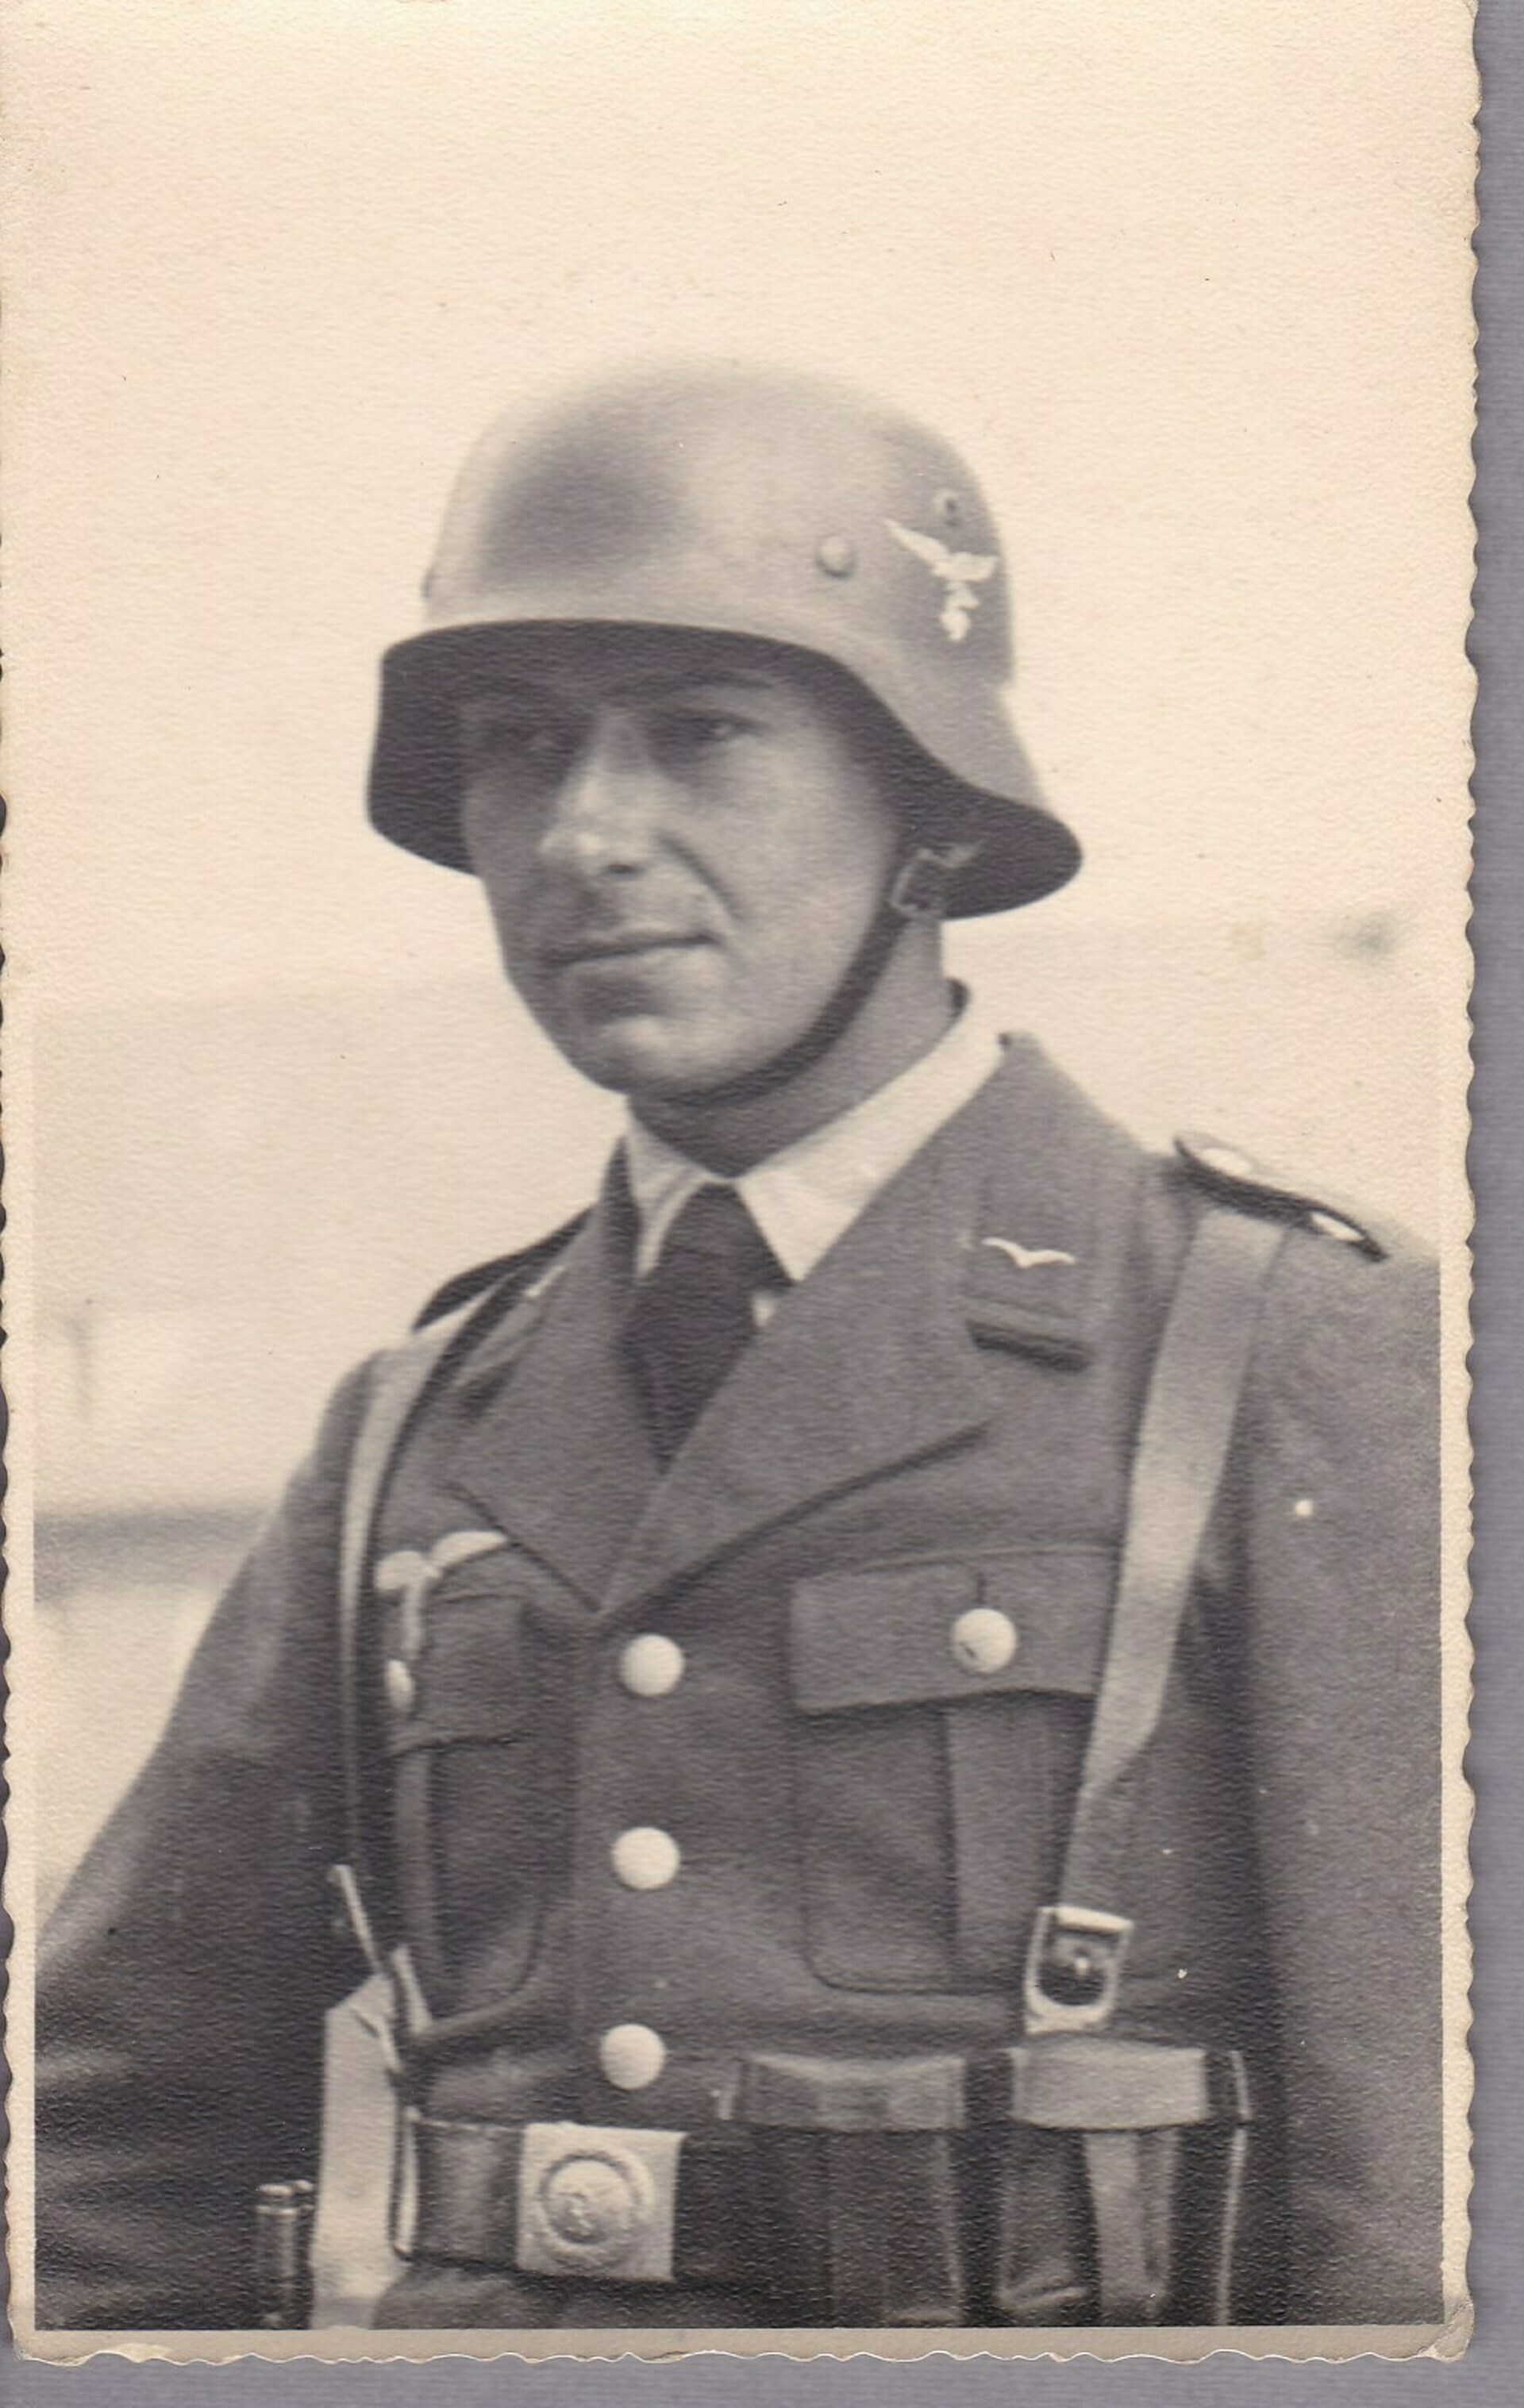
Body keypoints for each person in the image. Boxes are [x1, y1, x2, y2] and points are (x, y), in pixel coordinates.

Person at [37, 362, 1442, 2333]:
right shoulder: (415, 1430)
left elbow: (1438, 2183)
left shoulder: (1279, 1344)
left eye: (699, 737)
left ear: (930, 822)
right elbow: (120, 2126)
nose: (583, 832)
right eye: (519, 749)